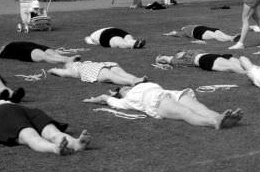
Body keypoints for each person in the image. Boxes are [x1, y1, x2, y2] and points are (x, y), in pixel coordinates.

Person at [0, 100, 91, 155]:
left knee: (51, 132)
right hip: (0, 115)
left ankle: (76, 143)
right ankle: (55, 148)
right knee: (31, 137)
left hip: (21, 110)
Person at [83, 84, 242, 129]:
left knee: (200, 108)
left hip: (169, 93)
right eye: (121, 90)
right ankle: (214, 122)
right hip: (156, 101)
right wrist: (99, 98)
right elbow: (106, 98)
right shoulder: (124, 101)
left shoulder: (139, 86)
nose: (124, 88)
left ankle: (222, 118)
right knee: (185, 112)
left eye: (124, 87)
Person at [48, 60, 147, 85]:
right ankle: (133, 81)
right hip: (95, 71)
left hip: (103, 65)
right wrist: (52, 70)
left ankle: (136, 80)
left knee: (119, 73)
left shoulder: (79, 64)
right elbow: (62, 73)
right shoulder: (71, 70)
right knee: (112, 75)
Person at [0, 42, 81, 64]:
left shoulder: (5, 50)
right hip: (27, 50)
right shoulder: (4, 52)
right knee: (45, 56)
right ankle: (67, 60)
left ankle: (67, 60)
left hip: (30, 47)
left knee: (51, 55)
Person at [155, 50, 245, 74]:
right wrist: (161, 58)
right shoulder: (195, 52)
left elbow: (169, 59)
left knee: (232, 66)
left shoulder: (183, 59)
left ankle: (253, 74)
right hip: (210, 57)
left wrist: (160, 59)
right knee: (236, 64)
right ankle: (254, 72)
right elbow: (169, 59)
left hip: (206, 59)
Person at [163, 25, 239, 43]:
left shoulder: (185, 30)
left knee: (216, 34)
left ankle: (231, 38)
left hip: (200, 30)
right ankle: (231, 38)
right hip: (200, 30)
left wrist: (169, 34)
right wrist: (168, 34)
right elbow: (174, 32)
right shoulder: (185, 30)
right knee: (216, 34)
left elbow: (174, 32)